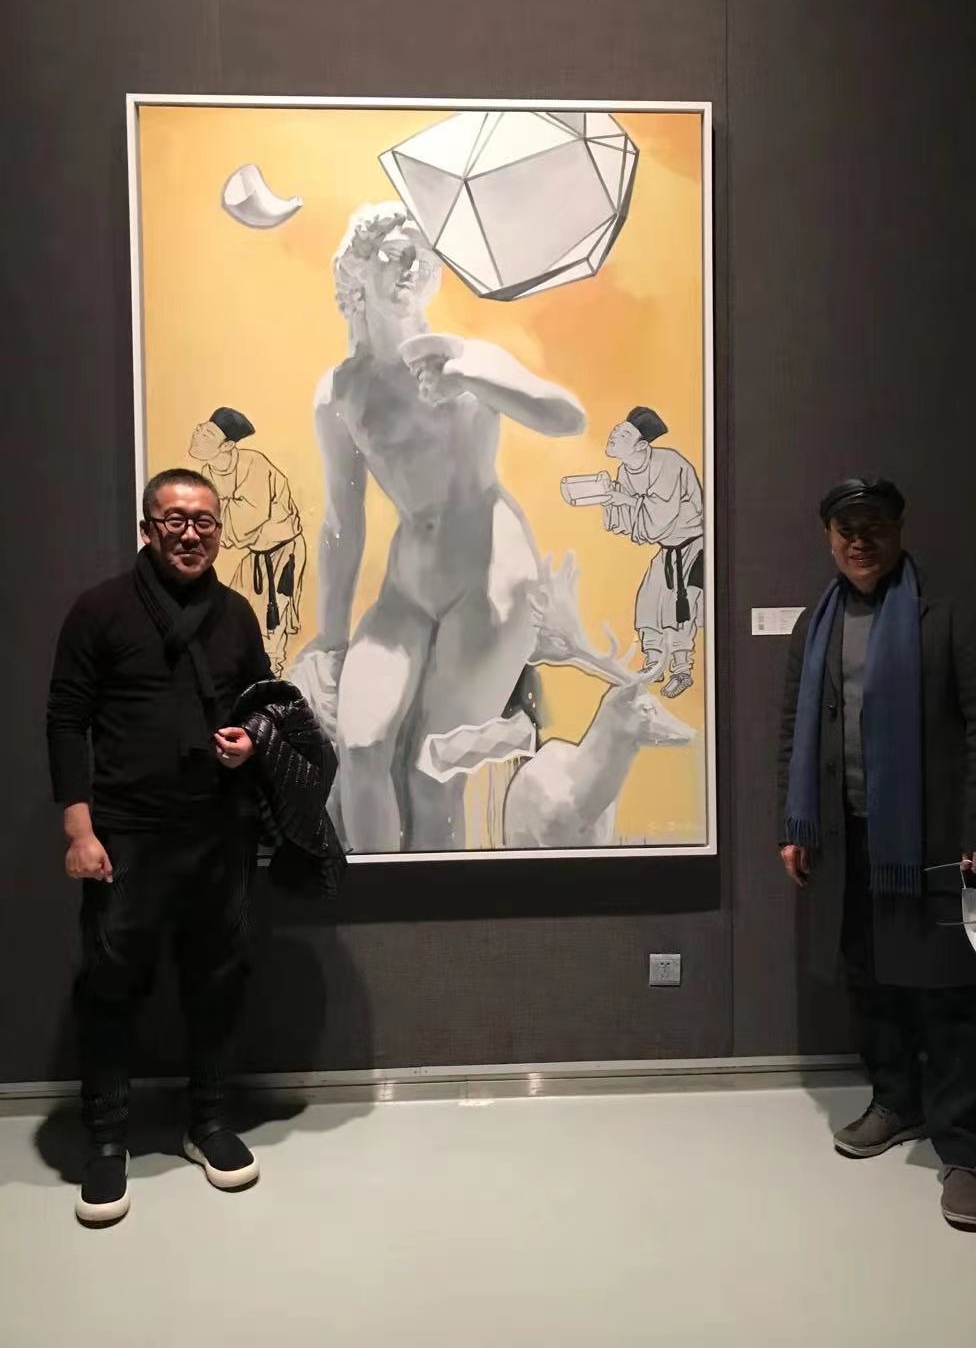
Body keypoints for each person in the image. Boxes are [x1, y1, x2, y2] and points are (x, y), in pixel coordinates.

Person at [290, 201, 585, 854]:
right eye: (397, 254)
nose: (412, 268)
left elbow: (567, 416)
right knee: (361, 746)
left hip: (491, 576)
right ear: (357, 269)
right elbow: (342, 522)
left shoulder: (469, 356)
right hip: (409, 584)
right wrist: (332, 637)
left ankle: (433, 908)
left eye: (423, 257)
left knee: (432, 774)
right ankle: (374, 899)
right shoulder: (340, 393)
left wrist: (473, 377)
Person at [777, 478, 976, 1230]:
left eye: (873, 525)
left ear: (898, 528)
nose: (860, 541)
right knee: (870, 982)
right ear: (829, 538)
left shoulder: (950, 616)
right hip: (846, 839)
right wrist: (793, 824)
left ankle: (962, 1153)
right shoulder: (814, 625)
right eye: (845, 529)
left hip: (936, 843)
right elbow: (794, 728)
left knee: (950, 998)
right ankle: (895, 1101)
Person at [46, 469, 272, 1225]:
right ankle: (107, 1139)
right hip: (126, 834)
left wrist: (251, 742)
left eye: (204, 520)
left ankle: (207, 1121)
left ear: (219, 532)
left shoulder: (236, 614)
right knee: (110, 984)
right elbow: (66, 719)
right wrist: (79, 830)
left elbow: (264, 705)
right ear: (147, 528)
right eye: (174, 519)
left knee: (218, 980)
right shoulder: (100, 610)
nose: (190, 532)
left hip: (218, 831)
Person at [190, 407, 306, 676]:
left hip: (281, 553)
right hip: (256, 555)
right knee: (230, 614)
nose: (198, 434)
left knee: (271, 627)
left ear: (228, 445)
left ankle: (271, 684)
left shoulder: (254, 465)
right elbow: (211, 520)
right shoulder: (207, 473)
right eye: (201, 428)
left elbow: (244, 521)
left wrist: (219, 520)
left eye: (208, 434)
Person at [602, 407, 704, 697]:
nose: (614, 434)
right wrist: (608, 496)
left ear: (642, 446)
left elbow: (661, 517)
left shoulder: (668, 464)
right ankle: (654, 665)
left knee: (680, 611)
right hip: (667, 549)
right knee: (648, 604)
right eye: (616, 430)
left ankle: (682, 671)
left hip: (692, 547)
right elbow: (630, 522)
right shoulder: (625, 470)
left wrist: (624, 499)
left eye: (624, 434)